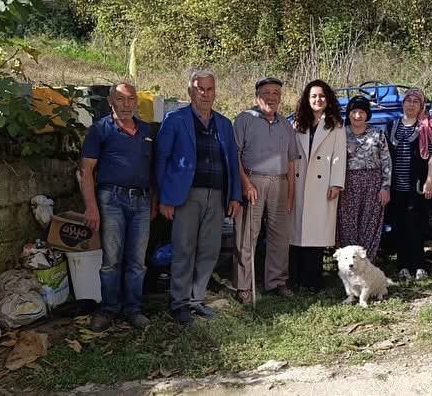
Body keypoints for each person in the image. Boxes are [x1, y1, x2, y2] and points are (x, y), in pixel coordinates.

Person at [155, 69, 243, 323]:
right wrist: (165, 197)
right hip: (185, 195)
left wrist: (235, 196)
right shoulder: (175, 120)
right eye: (199, 88)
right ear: (190, 91)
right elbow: (161, 159)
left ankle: (197, 298)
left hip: (217, 195)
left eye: (209, 89)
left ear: (215, 92)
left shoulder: (224, 124)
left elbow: (232, 163)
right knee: (184, 248)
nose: (205, 93)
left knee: (210, 249)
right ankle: (179, 302)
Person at [79, 80, 157, 331]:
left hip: (142, 201)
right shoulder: (100, 129)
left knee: (137, 260)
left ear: (136, 101)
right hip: (111, 199)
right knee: (112, 259)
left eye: (130, 99)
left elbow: (153, 169)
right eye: (120, 99)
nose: (126, 104)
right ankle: (109, 309)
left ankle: (133, 309)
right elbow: (86, 170)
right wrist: (91, 207)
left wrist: (154, 200)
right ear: (111, 101)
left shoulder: (146, 130)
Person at [232, 77, 299, 303]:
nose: (271, 97)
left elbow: (291, 162)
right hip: (253, 180)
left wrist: (290, 194)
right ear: (257, 96)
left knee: (280, 236)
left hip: (280, 182)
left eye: (276, 94)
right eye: (267, 93)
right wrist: (245, 184)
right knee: (247, 236)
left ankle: (277, 282)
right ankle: (244, 286)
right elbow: (235, 156)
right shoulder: (244, 119)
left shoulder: (285, 124)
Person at [290, 79, 346, 292]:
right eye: (313, 96)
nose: (317, 100)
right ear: (307, 98)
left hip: (322, 186)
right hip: (299, 181)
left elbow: (339, 156)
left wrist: (336, 183)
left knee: (315, 234)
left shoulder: (336, 125)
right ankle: (295, 279)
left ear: (328, 99)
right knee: (295, 232)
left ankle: (313, 280)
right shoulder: (297, 123)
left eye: (321, 96)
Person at [386, 88, 432, 280]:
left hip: (416, 185)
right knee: (399, 226)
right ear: (403, 103)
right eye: (408, 100)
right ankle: (403, 266)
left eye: (415, 101)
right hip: (395, 186)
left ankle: (419, 265)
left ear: (421, 106)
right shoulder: (391, 125)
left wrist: (430, 180)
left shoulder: (427, 126)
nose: (411, 104)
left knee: (416, 226)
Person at [336, 95, 391, 262]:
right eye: (354, 112)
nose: (357, 116)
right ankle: (348, 263)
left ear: (367, 114)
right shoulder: (340, 134)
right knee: (347, 223)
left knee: (370, 223)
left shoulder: (377, 133)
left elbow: (386, 161)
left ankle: (366, 264)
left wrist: (385, 187)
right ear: (349, 113)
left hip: (373, 183)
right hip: (347, 183)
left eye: (361, 112)